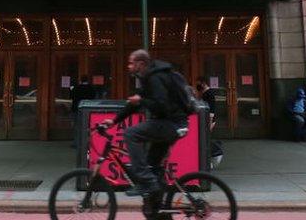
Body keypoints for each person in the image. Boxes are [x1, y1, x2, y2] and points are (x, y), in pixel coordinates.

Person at [98, 49, 188, 202]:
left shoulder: (155, 78)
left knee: (130, 134)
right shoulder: (148, 78)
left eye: (131, 63)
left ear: (141, 64)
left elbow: (162, 106)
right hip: (170, 123)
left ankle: (145, 180)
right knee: (152, 166)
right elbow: (134, 105)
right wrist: (113, 121)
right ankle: (156, 210)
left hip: (172, 124)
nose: (128, 66)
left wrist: (141, 101)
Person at [196, 77, 224, 168]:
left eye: (199, 83)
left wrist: (210, 121)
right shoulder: (205, 93)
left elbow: (211, 108)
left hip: (208, 119)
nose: (197, 86)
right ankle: (215, 151)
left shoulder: (209, 93)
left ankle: (216, 151)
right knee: (205, 139)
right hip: (207, 119)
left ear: (204, 83)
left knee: (205, 139)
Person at [69, 75, 95, 149]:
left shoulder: (76, 88)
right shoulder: (91, 88)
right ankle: (87, 143)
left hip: (77, 109)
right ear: (87, 80)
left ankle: (76, 143)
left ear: (80, 80)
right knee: (88, 126)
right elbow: (93, 97)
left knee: (77, 126)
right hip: (88, 109)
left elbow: (71, 96)